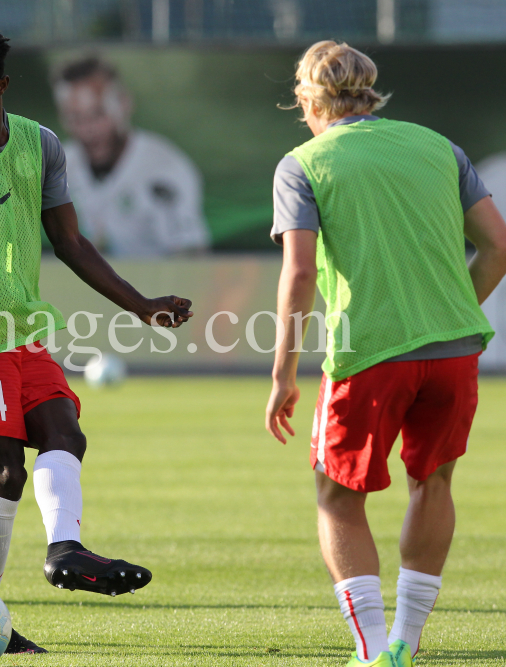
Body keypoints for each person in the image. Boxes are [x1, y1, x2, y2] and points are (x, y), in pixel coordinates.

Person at [0, 22, 194, 654]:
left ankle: (65, 551)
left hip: (24, 332)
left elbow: (70, 242)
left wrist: (140, 306)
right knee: (6, 467)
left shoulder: (40, 145)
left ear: (1, 86)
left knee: (66, 435)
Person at [265, 42, 506, 667]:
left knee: (337, 493)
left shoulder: (302, 163)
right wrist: (455, 311)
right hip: (454, 351)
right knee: (434, 482)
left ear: (307, 99)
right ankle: (407, 637)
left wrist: (283, 372)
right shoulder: (438, 146)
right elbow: (498, 247)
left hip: (371, 351)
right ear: (371, 93)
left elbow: (297, 277)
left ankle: (373, 649)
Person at [53, 56, 209, 258]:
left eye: (98, 113)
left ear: (124, 104)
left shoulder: (165, 168)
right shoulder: (60, 164)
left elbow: (191, 254)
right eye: (75, 117)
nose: (88, 129)